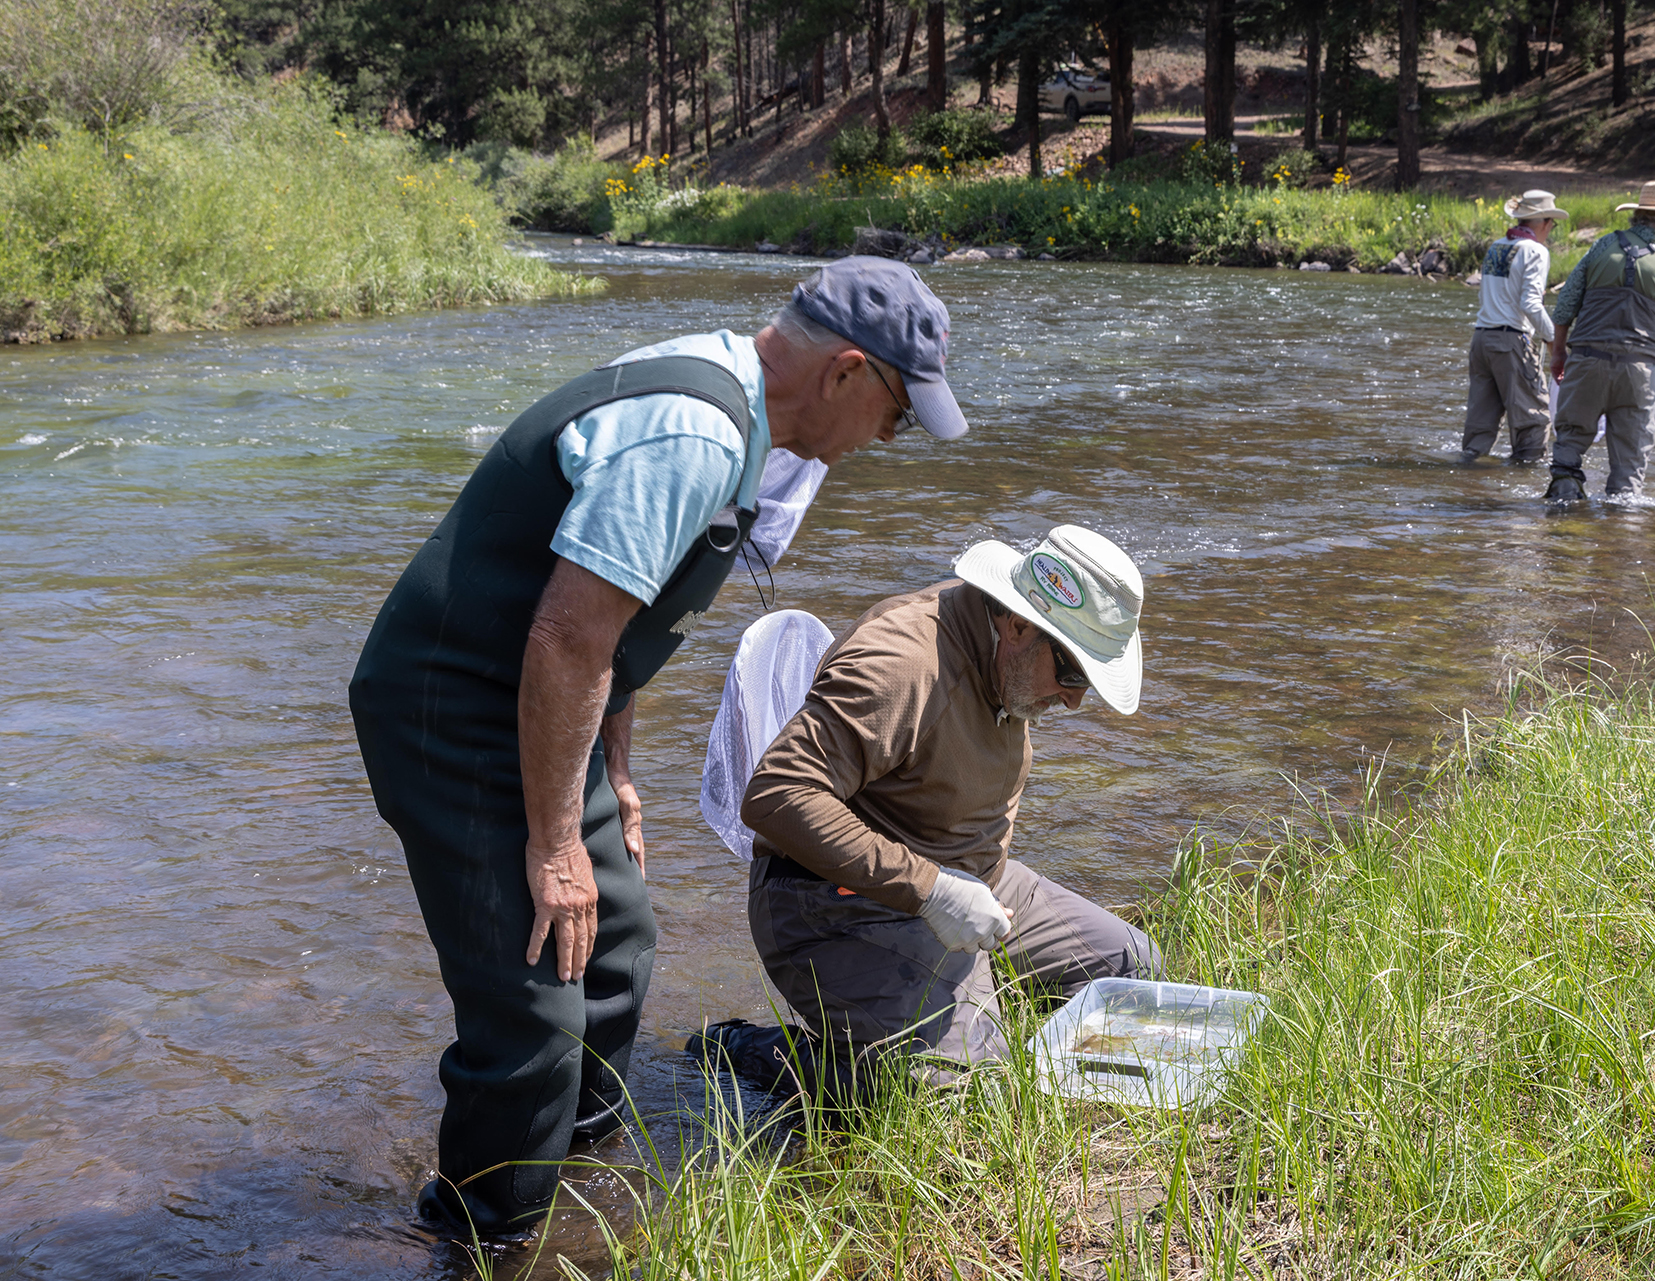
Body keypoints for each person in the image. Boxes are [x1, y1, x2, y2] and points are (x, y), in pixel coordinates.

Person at [346, 257, 970, 1235]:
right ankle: (486, 1236)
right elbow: (568, 637)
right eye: (896, 412)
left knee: (619, 943)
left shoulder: (745, 427)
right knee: (534, 1011)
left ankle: (575, 1186)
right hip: (451, 706)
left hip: (538, 704)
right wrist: (557, 847)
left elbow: (618, 627)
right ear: (848, 372)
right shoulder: (696, 433)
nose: (890, 438)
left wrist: (619, 780)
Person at [688, 525, 1162, 1099]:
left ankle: (954, 1020)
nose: (1074, 699)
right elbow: (776, 793)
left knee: (1133, 972)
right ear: (1017, 624)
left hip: (968, 881)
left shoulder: (1009, 664)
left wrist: (954, 891)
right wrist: (932, 890)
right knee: (962, 1098)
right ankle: (766, 1051)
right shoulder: (904, 662)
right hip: (834, 901)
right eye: (1071, 674)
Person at [1545, 181, 1655, 503]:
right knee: (1629, 469)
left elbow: (1566, 304)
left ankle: (1562, 510)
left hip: (1586, 361)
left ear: (1638, 216)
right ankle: (1622, 535)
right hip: (1638, 371)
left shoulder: (1601, 246)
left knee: (1568, 448)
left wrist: (1558, 355)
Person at [1462, 190, 1567, 465]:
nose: (1550, 231)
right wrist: (1555, 340)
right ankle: (1523, 481)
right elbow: (1531, 303)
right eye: (1551, 225)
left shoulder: (1497, 246)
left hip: (1481, 340)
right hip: (1510, 341)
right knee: (1533, 419)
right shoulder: (1536, 251)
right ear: (1543, 222)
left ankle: (1468, 477)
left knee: (1480, 422)